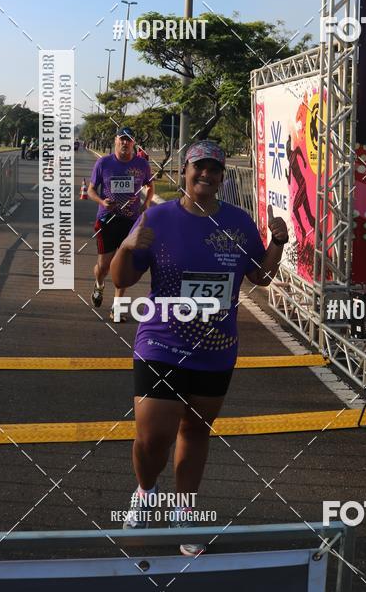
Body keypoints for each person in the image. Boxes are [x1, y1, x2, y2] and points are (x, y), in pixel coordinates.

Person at [110, 139, 288, 555]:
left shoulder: (239, 223)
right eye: (198, 166)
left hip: (216, 346)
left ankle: (184, 509)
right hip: (161, 341)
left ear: (222, 177)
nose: (206, 174)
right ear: (185, 172)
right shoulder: (158, 217)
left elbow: (259, 278)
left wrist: (277, 243)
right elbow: (123, 279)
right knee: (153, 437)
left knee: (195, 430)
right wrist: (128, 245)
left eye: (214, 169)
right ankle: (146, 491)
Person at [88, 126, 154, 322]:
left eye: (129, 140)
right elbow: (91, 190)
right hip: (107, 220)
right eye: (122, 139)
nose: (125, 143)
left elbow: (150, 187)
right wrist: (101, 201)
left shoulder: (141, 164)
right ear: (115, 140)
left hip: (131, 221)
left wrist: (146, 205)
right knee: (105, 265)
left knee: (123, 265)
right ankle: (99, 285)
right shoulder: (104, 163)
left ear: (133, 143)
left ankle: (117, 309)